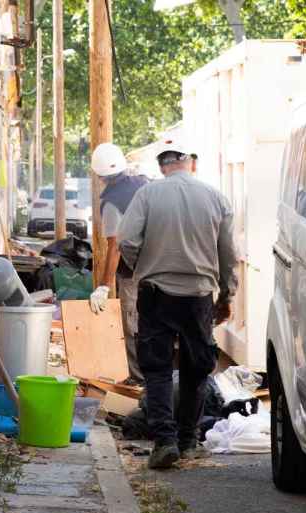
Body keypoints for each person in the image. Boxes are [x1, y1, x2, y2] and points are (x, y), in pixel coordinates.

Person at [117, 136, 238, 469]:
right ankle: (187, 441)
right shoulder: (216, 198)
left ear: (161, 165)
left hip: (156, 294)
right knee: (195, 370)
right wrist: (227, 296)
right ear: (192, 162)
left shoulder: (147, 194)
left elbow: (127, 241)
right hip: (198, 296)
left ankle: (164, 442)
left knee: (156, 370)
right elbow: (230, 256)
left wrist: (143, 265)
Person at [88, 142, 150, 385]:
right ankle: (160, 376)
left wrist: (104, 284)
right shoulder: (144, 183)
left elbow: (115, 246)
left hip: (134, 271)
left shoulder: (112, 202)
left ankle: (139, 378)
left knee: (132, 322)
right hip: (162, 264)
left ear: (99, 175)